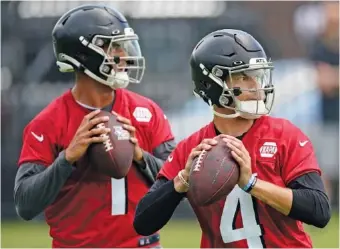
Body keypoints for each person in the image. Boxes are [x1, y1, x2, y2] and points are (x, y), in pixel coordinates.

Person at [133, 29, 331, 248]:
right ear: (213, 84)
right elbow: (143, 222)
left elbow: (319, 210)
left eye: (257, 76)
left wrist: (251, 184)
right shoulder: (193, 148)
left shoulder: (284, 135)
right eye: (244, 77)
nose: (257, 87)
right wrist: (182, 181)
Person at [14, 4, 175, 248]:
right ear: (84, 55)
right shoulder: (47, 123)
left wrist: (141, 157)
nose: (124, 54)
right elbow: (25, 204)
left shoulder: (147, 112)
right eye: (115, 47)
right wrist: (67, 159)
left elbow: (179, 184)